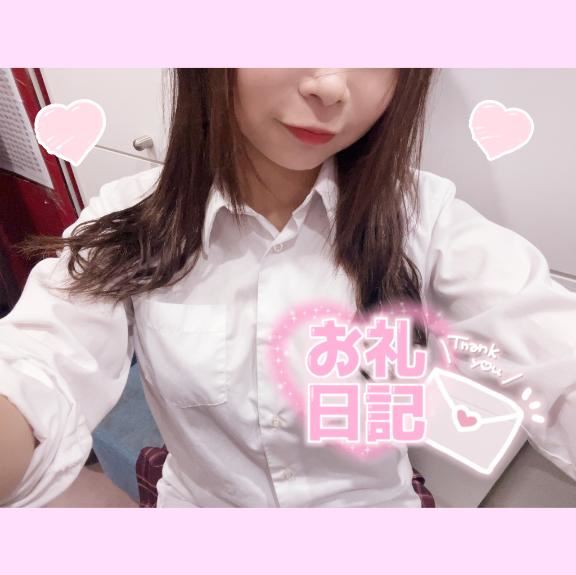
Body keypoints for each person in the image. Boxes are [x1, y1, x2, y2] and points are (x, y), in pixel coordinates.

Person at [0, 68, 575, 507]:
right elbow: (41, 360)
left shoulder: (426, 218)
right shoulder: (131, 215)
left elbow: (550, 351)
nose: (331, 86)